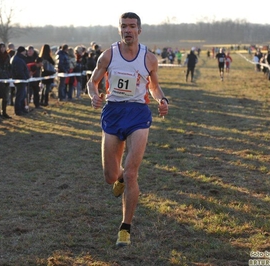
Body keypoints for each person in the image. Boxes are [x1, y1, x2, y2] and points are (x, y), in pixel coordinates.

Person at [86, 12, 169, 248]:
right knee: (110, 176)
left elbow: (154, 87)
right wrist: (93, 96)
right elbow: (92, 82)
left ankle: (125, 228)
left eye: (132, 26)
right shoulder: (108, 55)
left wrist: (163, 101)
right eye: (124, 26)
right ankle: (119, 178)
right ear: (119, 29)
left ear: (139, 30)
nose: (128, 30)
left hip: (138, 114)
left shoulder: (149, 58)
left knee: (132, 173)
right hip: (113, 112)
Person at [10, 46, 30, 116]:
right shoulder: (18, 60)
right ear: (22, 51)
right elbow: (19, 71)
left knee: (23, 95)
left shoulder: (18, 58)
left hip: (21, 80)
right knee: (19, 95)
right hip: (20, 80)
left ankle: (22, 108)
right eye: (25, 51)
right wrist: (25, 78)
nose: (26, 52)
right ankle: (18, 110)